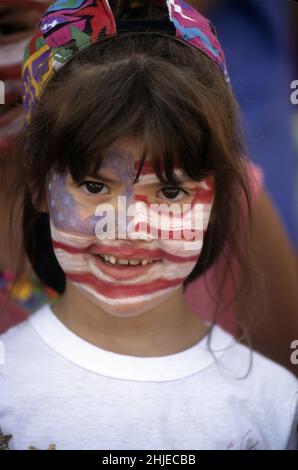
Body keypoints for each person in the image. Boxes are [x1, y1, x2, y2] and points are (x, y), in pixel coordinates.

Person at [0, 0, 297, 450]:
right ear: (40, 184)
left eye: (170, 192)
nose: (127, 225)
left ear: (219, 197)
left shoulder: (277, 405)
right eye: (94, 185)